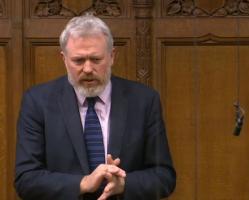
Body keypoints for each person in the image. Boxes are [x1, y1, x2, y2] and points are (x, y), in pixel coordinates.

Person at [14, 14, 176, 200]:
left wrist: (124, 184)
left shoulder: (144, 100)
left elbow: (164, 177)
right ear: (64, 59)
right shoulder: (38, 102)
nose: (88, 69)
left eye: (96, 59)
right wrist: (83, 183)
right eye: (79, 61)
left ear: (112, 56)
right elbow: (26, 179)